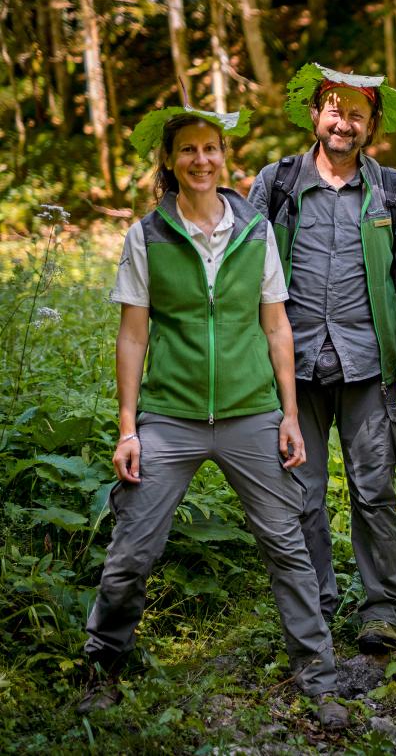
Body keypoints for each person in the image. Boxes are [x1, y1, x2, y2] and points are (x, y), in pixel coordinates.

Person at [82, 106, 347, 728]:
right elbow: (132, 337)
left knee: (287, 545)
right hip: (169, 418)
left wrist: (288, 414)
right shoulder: (147, 236)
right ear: (169, 163)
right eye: (188, 151)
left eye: (211, 149)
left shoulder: (256, 230)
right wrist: (128, 427)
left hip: (251, 412)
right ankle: (101, 666)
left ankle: (319, 678)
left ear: (224, 156)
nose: (201, 161)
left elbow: (277, 326)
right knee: (132, 552)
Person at [248, 64, 396, 654]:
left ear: (372, 127)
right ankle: (314, 603)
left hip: (368, 363)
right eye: (335, 110)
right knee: (303, 491)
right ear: (316, 115)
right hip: (295, 365)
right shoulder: (278, 183)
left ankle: (382, 609)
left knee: (374, 490)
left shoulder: (392, 190)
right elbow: (246, 267)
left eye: (357, 114)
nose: (344, 123)